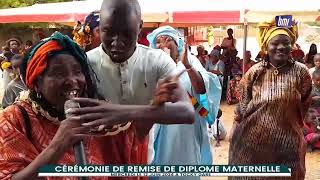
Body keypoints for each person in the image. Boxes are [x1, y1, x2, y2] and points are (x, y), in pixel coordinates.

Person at [0, 31, 195, 180]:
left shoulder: (95, 115)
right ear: (36, 82)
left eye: (78, 71)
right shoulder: (14, 120)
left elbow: (130, 151)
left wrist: (153, 109)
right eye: (58, 73)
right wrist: (57, 146)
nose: (72, 80)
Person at [85, 0, 196, 167]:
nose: (117, 42)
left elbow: (186, 112)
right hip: (96, 167)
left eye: (126, 33)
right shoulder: (85, 64)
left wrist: (119, 112)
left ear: (140, 27)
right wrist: (152, 109)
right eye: (108, 32)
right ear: (100, 27)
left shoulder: (157, 61)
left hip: (142, 163)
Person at [229, 19, 312, 180]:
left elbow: (305, 103)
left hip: (288, 145)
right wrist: (235, 126)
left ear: (292, 46)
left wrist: (286, 120)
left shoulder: (301, 72)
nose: (281, 47)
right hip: (252, 145)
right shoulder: (255, 72)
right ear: (266, 46)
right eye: (275, 43)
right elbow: (243, 105)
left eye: (286, 43)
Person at [147, 26, 221, 173]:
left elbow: (201, 87)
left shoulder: (189, 61)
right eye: (158, 42)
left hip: (184, 127)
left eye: (168, 40)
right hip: (159, 126)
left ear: (177, 44)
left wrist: (187, 65)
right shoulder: (151, 66)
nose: (162, 44)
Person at [304, 69, 320, 151]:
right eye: (317, 80)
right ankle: (309, 145)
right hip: (309, 135)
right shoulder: (305, 114)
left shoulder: (315, 114)